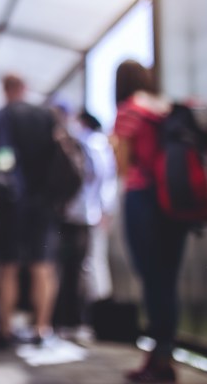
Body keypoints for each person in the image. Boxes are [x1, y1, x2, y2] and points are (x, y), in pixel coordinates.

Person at [112, 59, 186, 383]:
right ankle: (163, 357)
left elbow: (122, 166)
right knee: (168, 282)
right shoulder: (165, 106)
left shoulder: (129, 110)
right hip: (176, 201)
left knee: (152, 279)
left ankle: (157, 362)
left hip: (143, 198)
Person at [0, 73, 59, 347]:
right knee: (43, 266)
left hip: (13, 202)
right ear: (24, 87)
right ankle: (42, 329)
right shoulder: (46, 115)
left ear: (5, 89)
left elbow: (3, 156)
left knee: (8, 266)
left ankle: (5, 330)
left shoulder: (2, 115)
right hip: (44, 202)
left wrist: (6, 182)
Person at [52, 107, 117, 343]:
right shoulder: (92, 144)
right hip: (83, 213)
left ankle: (82, 320)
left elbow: (102, 176)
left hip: (81, 213)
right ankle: (75, 320)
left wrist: (103, 208)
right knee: (80, 267)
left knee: (82, 268)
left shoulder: (89, 143)